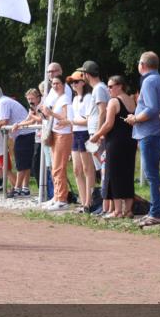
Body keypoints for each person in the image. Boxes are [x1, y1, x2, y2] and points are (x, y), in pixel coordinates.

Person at [126, 51, 160, 227]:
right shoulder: (158, 80)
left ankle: (155, 212)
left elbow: (151, 108)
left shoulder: (149, 81)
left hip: (149, 133)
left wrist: (135, 119)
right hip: (153, 132)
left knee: (151, 175)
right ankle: (155, 210)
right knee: (152, 174)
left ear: (142, 65)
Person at [89, 76, 137, 219]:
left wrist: (96, 135)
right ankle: (128, 210)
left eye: (110, 86)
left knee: (114, 174)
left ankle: (117, 211)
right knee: (128, 174)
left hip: (115, 142)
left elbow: (108, 124)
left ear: (120, 86)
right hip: (130, 141)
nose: (108, 89)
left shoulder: (114, 101)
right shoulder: (131, 100)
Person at [0, 84, 33, 197]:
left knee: (21, 163)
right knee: (25, 163)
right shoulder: (3, 101)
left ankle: (17, 189)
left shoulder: (3, 102)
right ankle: (25, 188)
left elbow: (4, 121)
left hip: (24, 134)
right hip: (24, 134)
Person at [40, 76, 74, 211]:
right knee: (55, 166)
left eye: (57, 83)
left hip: (63, 135)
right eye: (53, 83)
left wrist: (51, 113)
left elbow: (67, 118)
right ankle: (56, 196)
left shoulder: (65, 98)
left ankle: (62, 198)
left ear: (63, 84)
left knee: (59, 167)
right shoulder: (58, 98)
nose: (55, 86)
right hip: (56, 133)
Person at [83, 60, 110, 213]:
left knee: (103, 165)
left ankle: (105, 203)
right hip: (95, 130)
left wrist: (99, 132)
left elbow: (102, 111)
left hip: (96, 131)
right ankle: (102, 201)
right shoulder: (99, 88)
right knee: (101, 166)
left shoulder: (99, 88)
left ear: (87, 74)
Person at [69, 71, 96, 212]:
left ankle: (89, 201)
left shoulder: (89, 97)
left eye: (76, 81)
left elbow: (88, 120)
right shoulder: (74, 99)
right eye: (72, 82)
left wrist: (72, 121)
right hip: (76, 133)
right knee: (76, 169)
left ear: (83, 83)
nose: (73, 84)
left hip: (85, 134)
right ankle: (83, 200)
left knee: (87, 168)